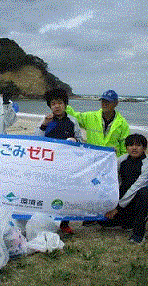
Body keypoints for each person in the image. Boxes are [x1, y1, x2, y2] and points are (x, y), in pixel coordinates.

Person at [35, 88, 83, 234]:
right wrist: (43, 124)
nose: (57, 106)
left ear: (65, 104)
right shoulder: (46, 120)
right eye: (53, 103)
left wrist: (75, 140)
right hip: (48, 164)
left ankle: (64, 223)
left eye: (60, 103)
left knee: (66, 193)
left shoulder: (72, 121)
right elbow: (36, 140)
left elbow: (80, 140)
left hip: (66, 164)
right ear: (50, 106)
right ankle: (46, 221)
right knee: (47, 192)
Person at [100, 134, 148, 244]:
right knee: (104, 222)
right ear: (126, 148)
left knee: (146, 193)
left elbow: (134, 190)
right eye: (130, 145)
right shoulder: (121, 160)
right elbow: (111, 180)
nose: (134, 148)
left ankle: (138, 234)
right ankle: (127, 222)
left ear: (144, 148)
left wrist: (117, 208)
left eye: (138, 145)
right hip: (123, 200)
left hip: (139, 201)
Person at [66, 90, 130, 157]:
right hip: (93, 160)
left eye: (108, 102)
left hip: (112, 162)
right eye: (103, 101)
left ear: (116, 103)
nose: (105, 104)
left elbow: (125, 148)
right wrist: (62, 105)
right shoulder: (90, 117)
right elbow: (73, 116)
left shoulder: (122, 123)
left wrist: (121, 161)